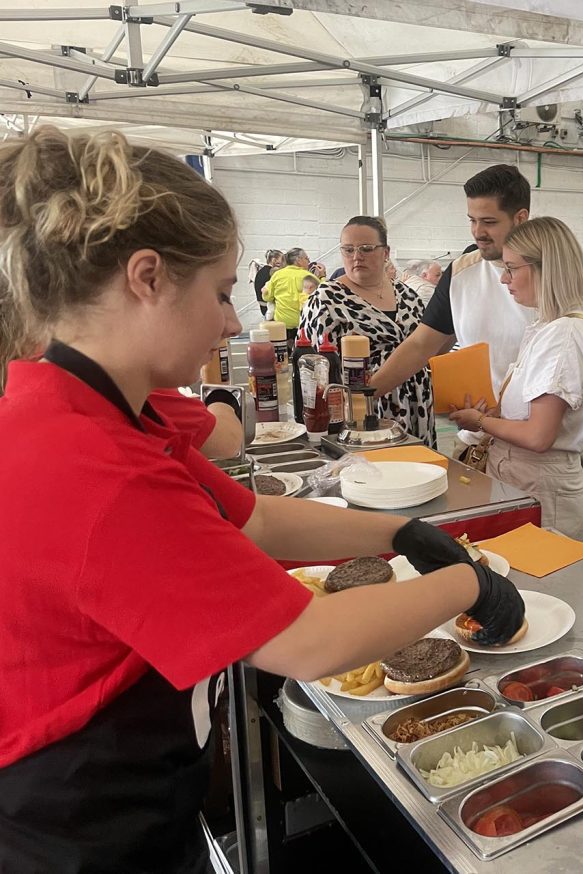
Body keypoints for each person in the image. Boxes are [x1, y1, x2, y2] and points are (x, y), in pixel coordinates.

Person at [0, 126, 525, 872]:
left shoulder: (91, 410)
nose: (230, 322)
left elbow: (258, 518)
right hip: (77, 821)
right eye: (218, 293)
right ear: (146, 277)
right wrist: (466, 581)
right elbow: (308, 643)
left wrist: (400, 532)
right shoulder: (95, 466)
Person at [449, 217, 583, 539]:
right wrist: (498, 415)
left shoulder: (565, 333)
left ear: (545, 268)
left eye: (512, 268)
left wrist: (480, 421)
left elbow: (538, 436)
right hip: (524, 482)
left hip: (543, 490)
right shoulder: (547, 327)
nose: (504, 279)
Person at [369, 164, 533, 453]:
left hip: (533, 445)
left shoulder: (552, 278)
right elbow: (421, 345)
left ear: (520, 218)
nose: (477, 232)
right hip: (476, 440)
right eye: (472, 220)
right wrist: (365, 396)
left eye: (489, 222)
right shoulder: (460, 272)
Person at [300, 216, 436, 447]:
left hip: (418, 404)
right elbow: (315, 372)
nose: (356, 256)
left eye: (366, 248)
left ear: (385, 252)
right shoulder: (325, 300)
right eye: (348, 249)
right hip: (363, 413)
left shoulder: (408, 295)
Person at [264, 247, 317, 340]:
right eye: (306, 259)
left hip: (282, 324)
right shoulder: (309, 277)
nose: (308, 262)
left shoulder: (277, 275)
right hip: (304, 324)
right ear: (298, 260)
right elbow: (323, 295)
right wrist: (322, 276)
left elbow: (267, 297)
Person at [253, 249, 283, 318]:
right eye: (282, 260)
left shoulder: (261, 271)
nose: (284, 263)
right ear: (274, 260)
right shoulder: (272, 273)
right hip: (269, 308)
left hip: (263, 307)